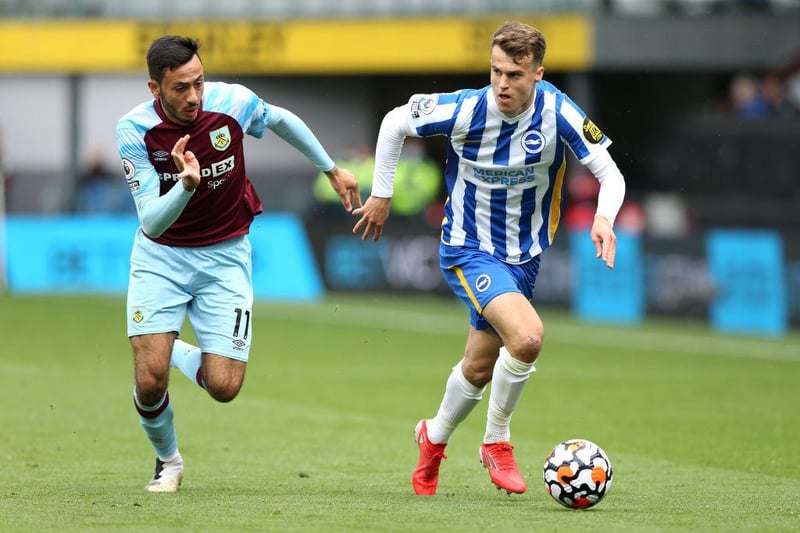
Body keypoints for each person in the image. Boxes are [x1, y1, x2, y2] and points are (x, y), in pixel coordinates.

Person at [352, 21, 625, 496]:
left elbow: (610, 173)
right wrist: (382, 193)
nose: (502, 83)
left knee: (479, 368)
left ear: (537, 74)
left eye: (515, 75)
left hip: (526, 255)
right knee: (528, 338)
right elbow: (395, 122)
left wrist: (604, 217)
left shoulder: (559, 112)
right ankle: (496, 441)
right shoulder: (464, 108)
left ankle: (432, 438)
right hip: (468, 247)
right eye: (496, 71)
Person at [115, 35, 360, 493]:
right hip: (161, 257)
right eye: (180, 88)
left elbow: (281, 119)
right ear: (155, 89)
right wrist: (185, 187)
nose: (193, 96)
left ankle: (173, 352)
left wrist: (330, 168)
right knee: (150, 382)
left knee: (225, 387)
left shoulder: (233, 102)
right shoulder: (133, 130)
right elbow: (150, 220)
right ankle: (168, 462)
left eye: (198, 83)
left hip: (226, 257)